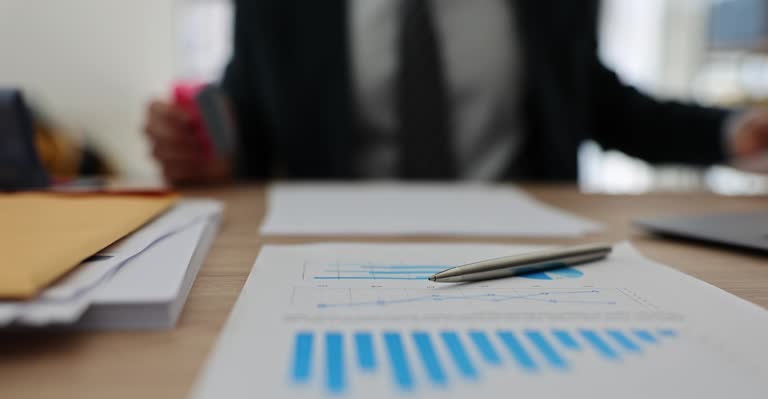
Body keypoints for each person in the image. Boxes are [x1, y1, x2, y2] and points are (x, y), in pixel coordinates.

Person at [145, 0, 768, 185]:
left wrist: (728, 132)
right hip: (330, 251)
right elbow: (249, 119)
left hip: (531, 249)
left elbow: (602, 106)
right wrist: (211, 151)